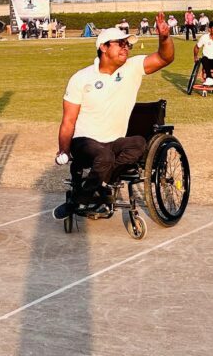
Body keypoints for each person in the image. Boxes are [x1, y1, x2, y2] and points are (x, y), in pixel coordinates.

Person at [53, 13, 174, 218]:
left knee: (138, 144)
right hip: (84, 141)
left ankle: (94, 189)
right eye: (120, 43)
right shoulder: (81, 78)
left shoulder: (132, 68)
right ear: (103, 47)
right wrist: (63, 151)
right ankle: (83, 199)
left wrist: (164, 38)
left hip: (113, 141)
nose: (126, 47)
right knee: (104, 156)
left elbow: (165, 57)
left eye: (128, 44)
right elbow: (68, 121)